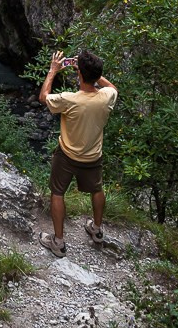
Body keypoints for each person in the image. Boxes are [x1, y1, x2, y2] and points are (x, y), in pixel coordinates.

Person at [37, 49, 118, 257]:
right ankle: (97, 230)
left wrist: (53, 70)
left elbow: (43, 97)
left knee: (57, 192)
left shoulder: (69, 99)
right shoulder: (107, 97)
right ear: (97, 76)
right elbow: (111, 87)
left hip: (67, 155)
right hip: (93, 156)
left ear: (79, 74)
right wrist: (93, 74)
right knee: (97, 189)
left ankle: (59, 242)